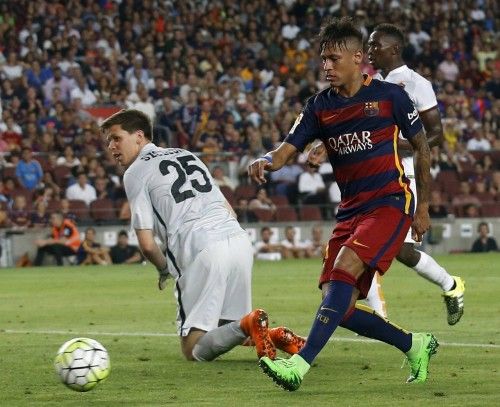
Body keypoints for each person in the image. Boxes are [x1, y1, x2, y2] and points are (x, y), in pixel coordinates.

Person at [249, 18, 437, 391]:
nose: (327, 67)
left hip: (389, 203)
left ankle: (298, 367)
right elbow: (286, 150)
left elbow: (423, 147)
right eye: (323, 60)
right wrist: (265, 160)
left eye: (334, 59)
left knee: (344, 270)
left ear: (357, 58)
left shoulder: (390, 97)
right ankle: (414, 344)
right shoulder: (319, 106)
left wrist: (424, 206)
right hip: (351, 210)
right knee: (339, 307)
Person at [101, 108, 305, 362]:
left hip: (201, 247)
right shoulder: (187, 155)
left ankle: (251, 323)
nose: (111, 146)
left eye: (116, 138)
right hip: (238, 241)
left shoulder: (135, 172)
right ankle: (277, 336)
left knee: (193, 349)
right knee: (228, 326)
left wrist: (165, 269)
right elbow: (227, 208)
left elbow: (147, 244)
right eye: (108, 141)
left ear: (139, 136)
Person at [308, 23, 465, 325]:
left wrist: (393, 142)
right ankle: (445, 286)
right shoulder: (370, 83)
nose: (369, 51)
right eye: (367, 46)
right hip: (373, 178)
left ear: (394, 49)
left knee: (382, 248)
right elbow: (351, 127)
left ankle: (384, 311)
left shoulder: (415, 83)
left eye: (375, 45)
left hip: (401, 175)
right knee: (395, 249)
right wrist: (325, 146)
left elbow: (435, 135)